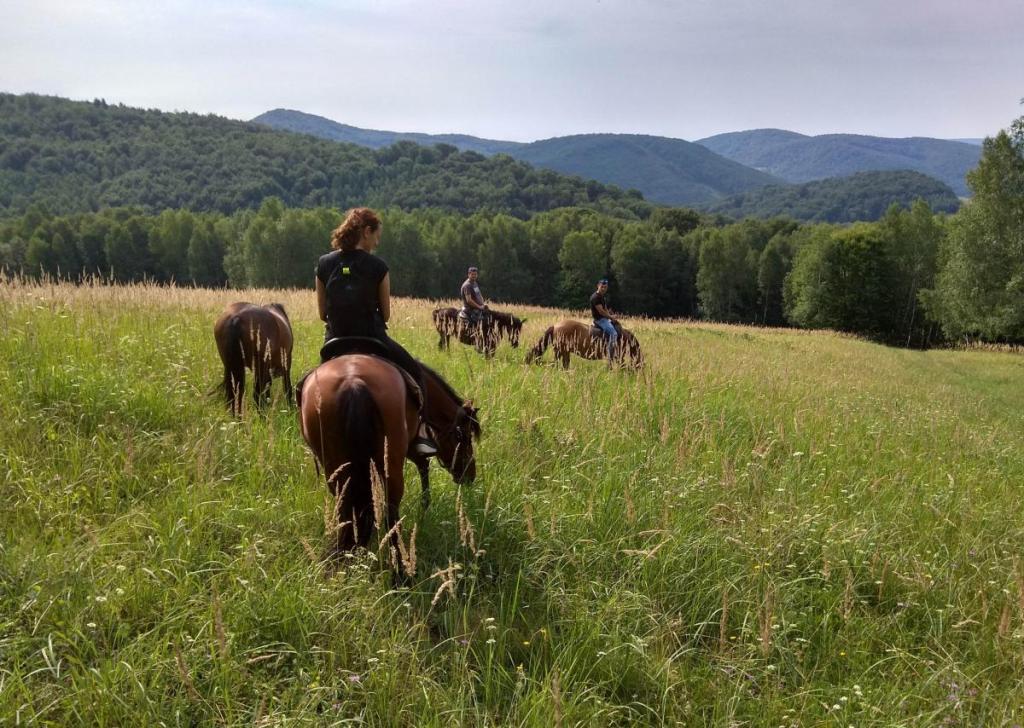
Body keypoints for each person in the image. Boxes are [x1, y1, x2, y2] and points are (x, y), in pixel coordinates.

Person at [315, 207, 437, 456]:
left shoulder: (324, 264)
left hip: (335, 341)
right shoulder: (378, 266)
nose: (377, 242)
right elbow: (387, 313)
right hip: (373, 339)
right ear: (366, 232)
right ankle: (422, 432)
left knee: (307, 385)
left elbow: (321, 314)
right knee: (417, 374)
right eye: (377, 235)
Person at [590, 278, 619, 365]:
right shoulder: (595, 297)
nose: (603, 289)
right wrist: (611, 317)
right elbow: (601, 311)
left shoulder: (602, 296)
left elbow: (605, 308)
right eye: (602, 287)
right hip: (600, 320)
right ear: (598, 286)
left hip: (604, 319)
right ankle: (610, 357)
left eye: (605, 287)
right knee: (614, 334)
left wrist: (611, 316)